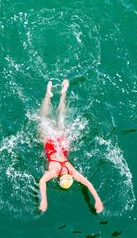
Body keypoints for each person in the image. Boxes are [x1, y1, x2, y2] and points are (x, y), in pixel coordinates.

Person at [38, 79, 104, 213]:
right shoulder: (62, 171)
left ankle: (56, 93)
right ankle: (55, 93)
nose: (65, 173)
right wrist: (97, 200)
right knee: (49, 118)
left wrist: (44, 200)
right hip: (56, 145)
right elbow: (88, 184)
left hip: (58, 144)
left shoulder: (64, 171)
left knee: (53, 117)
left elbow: (42, 182)